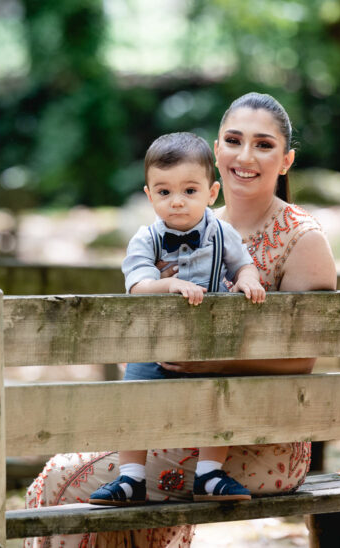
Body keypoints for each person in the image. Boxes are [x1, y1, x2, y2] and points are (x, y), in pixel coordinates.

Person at [25, 92, 337, 548]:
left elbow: (302, 361)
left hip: (257, 439)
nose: (245, 155)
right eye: (234, 140)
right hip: (174, 416)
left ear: (286, 160)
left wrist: (211, 366)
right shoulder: (186, 227)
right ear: (216, 151)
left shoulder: (302, 238)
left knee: (64, 481)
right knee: (87, 481)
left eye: (264, 145)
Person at [88, 132, 266, 507]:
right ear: (149, 195)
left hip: (207, 347)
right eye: (164, 192)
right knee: (134, 402)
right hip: (153, 345)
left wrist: (248, 279)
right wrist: (167, 285)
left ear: (211, 192)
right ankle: (131, 477)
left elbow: (244, 263)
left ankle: (210, 474)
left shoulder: (223, 234)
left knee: (218, 399)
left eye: (189, 190)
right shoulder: (145, 239)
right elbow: (137, 285)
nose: (177, 202)